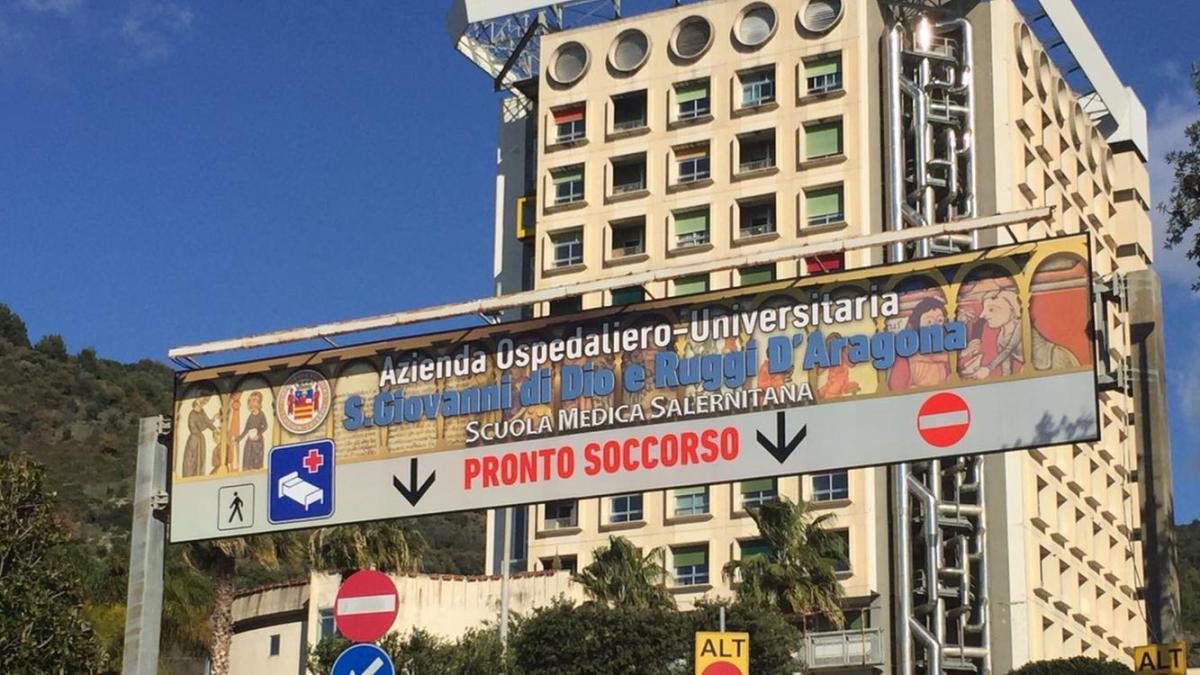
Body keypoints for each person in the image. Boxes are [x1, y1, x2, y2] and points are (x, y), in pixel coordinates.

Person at [888, 296, 951, 390]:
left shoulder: (946, 353)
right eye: (929, 321)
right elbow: (896, 387)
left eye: (939, 320)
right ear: (918, 324)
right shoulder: (906, 355)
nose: (934, 325)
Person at [182, 391, 217, 478]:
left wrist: (215, 428)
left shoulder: (202, 411)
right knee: (192, 460)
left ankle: (198, 476)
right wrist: (210, 424)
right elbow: (195, 429)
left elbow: (207, 422)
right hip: (194, 440)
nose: (204, 403)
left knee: (200, 460)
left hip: (200, 440)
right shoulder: (192, 414)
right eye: (204, 400)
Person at [237, 391, 268, 470]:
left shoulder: (261, 414)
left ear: (259, 403)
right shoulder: (250, 416)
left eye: (254, 401)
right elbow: (246, 429)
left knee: (256, 462)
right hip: (249, 442)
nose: (251, 404)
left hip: (258, 442)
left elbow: (265, 426)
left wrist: (258, 433)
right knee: (247, 460)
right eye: (249, 401)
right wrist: (238, 439)